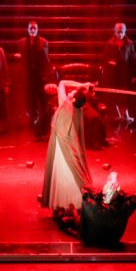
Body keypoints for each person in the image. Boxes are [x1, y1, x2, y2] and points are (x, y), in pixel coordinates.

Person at [41, 80, 94, 212]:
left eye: (73, 92)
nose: (70, 92)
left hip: (62, 146)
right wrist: (85, 89)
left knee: (63, 173)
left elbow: (62, 83)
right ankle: (76, 202)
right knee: (69, 172)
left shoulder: (65, 103)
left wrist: (82, 85)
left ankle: (67, 203)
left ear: (73, 98)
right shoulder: (78, 110)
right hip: (70, 146)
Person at [13, 21, 53, 138]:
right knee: (30, 100)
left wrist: (47, 75)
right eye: (31, 28)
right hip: (28, 76)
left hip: (40, 77)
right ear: (27, 29)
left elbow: (46, 60)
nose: (32, 30)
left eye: (34, 28)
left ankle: (44, 121)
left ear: (37, 29)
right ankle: (34, 120)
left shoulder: (43, 42)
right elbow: (21, 59)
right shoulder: (21, 43)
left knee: (43, 100)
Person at [102, 22, 136, 90]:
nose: (120, 34)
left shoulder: (129, 43)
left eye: (122, 32)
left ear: (125, 31)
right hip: (113, 75)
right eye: (118, 32)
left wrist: (134, 74)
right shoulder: (109, 44)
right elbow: (105, 58)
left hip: (125, 75)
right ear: (115, 32)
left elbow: (133, 59)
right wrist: (110, 61)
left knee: (124, 92)